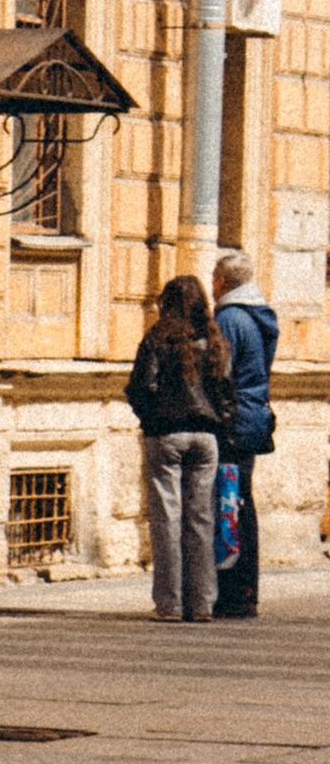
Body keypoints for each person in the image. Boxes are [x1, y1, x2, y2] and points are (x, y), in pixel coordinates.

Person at [125, 273, 232, 623]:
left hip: (166, 434)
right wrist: (222, 425)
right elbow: (225, 391)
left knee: (166, 519)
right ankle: (202, 603)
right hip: (206, 437)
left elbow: (141, 386)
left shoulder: (158, 337)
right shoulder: (213, 339)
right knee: (201, 519)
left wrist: (151, 418)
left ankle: (170, 604)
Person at [212, 249, 277, 619]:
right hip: (253, 416)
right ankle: (246, 589)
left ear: (222, 281)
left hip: (233, 421)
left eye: (214, 278)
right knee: (241, 503)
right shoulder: (257, 315)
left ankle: (233, 591)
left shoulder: (229, 318)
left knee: (228, 502)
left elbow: (220, 373)